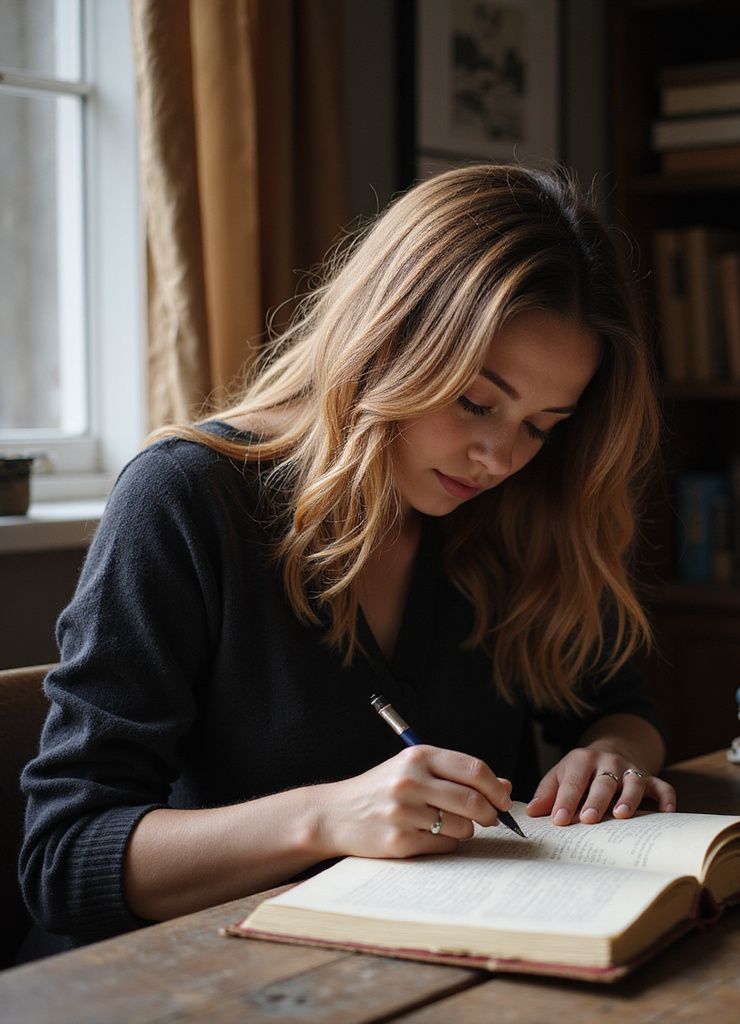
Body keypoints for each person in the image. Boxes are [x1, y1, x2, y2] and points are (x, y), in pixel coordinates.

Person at [18, 163, 675, 961]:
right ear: (384, 341)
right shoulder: (188, 499)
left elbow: (617, 707)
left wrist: (612, 758)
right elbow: (65, 857)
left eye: (542, 425)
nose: (500, 455)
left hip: (435, 968)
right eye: (476, 401)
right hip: (197, 978)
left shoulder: (515, 516)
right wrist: (326, 817)